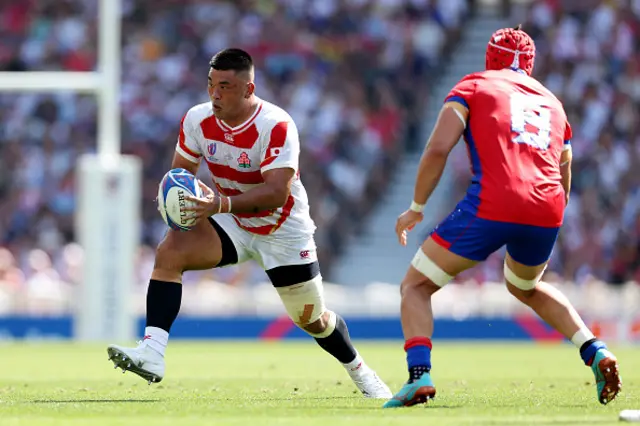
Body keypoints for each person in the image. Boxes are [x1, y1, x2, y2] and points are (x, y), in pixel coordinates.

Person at [107, 48, 392, 399]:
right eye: (211, 84)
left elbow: (275, 193)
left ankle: (360, 370)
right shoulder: (196, 120)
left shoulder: (276, 125)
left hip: (282, 230)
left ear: (248, 89)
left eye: (225, 86)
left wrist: (218, 203)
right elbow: (180, 175)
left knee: (312, 319)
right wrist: (175, 199)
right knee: (171, 250)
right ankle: (152, 351)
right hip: (232, 221)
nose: (215, 94)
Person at [382, 26, 622, 408]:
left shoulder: (474, 85)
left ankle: (418, 375)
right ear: (530, 63)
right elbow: (565, 169)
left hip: (495, 200)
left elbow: (438, 148)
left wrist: (416, 207)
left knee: (416, 286)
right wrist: (550, 214)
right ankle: (595, 350)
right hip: (548, 205)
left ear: (489, 58)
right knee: (526, 286)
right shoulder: (554, 102)